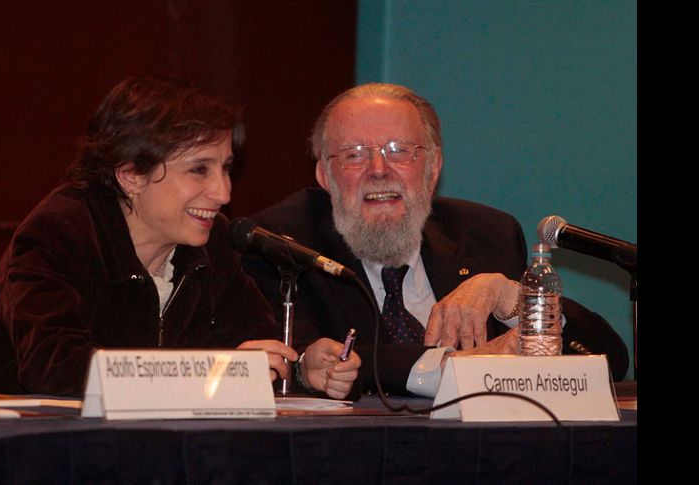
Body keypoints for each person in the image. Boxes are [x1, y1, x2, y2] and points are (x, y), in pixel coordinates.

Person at [241, 83, 629, 397]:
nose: (378, 170)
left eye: (399, 151)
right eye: (354, 155)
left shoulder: (486, 234)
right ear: (325, 177)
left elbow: (608, 358)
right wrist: (460, 367)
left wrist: (512, 297)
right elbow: (307, 362)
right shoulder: (283, 242)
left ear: (432, 168)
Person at [0, 75, 360, 398]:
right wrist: (212, 371)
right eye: (199, 170)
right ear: (131, 175)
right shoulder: (60, 232)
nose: (223, 193)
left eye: (226, 168)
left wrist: (299, 367)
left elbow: (250, 343)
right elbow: (55, 367)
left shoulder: (213, 242)